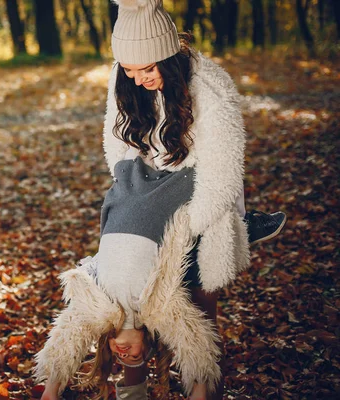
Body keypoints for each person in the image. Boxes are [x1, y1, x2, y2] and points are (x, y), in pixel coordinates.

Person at [34, 1, 286, 399]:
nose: (137, 80)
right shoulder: (126, 80)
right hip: (147, 181)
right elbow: (116, 145)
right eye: (130, 71)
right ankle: (135, 387)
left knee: (196, 296)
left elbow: (221, 169)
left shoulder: (209, 89)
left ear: (168, 57)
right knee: (134, 294)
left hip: (197, 185)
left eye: (146, 70)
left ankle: (206, 387)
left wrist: (188, 225)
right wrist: (131, 188)